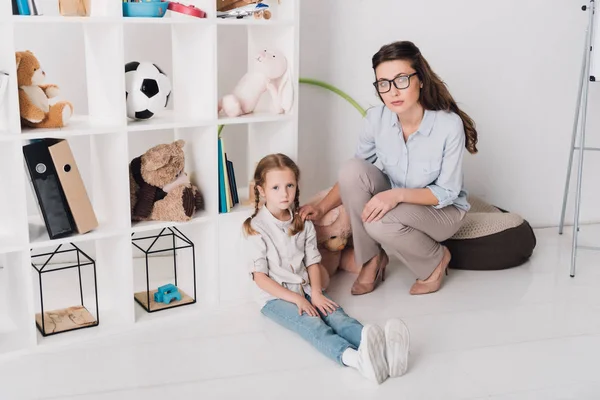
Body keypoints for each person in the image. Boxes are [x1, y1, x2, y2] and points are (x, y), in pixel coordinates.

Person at [299, 40, 478, 296]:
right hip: (399, 202)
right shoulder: (376, 119)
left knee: (379, 222)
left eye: (401, 79)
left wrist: (396, 196)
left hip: (442, 211)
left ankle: (435, 260)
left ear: (421, 80)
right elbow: (355, 175)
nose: (393, 91)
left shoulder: (448, 125)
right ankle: (372, 259)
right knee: (352, 169)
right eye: (384, 83)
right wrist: (321, 207)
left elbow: (446, 192)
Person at [243, 153, 410, 384]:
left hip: (306, 288)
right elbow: (260, 278)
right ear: (261, 190)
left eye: (289, 185)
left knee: (338, 317)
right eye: (276, 187)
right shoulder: (256, 228)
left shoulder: (302, 223)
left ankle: (382, 351)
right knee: (313, 324)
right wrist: (298, 300)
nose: (284, 193)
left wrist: (317, 293)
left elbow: (312, 261)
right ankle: (356, 359)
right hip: (274, 297)